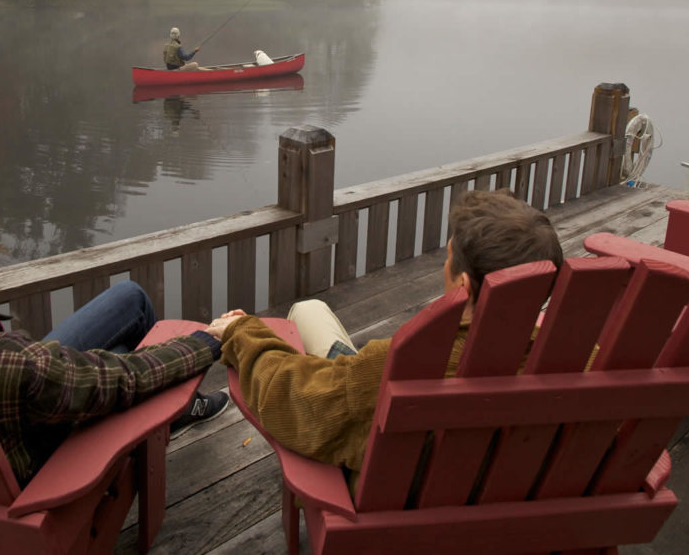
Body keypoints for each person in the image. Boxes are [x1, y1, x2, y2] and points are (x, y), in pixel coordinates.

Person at [0, 185, 231, 485]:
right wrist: (208, 341)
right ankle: (177, 410)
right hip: (30, 465)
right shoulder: (3, 362)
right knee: (120, 363)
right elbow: (125, 379)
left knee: (128, 299)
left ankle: (178, 409)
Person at [214, 189, 565, 475]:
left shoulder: (398, 365)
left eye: (448, 257)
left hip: (396, 499)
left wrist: (241, 332)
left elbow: (298, 402)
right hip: (506, 494)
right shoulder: (572, 358)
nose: (444, 265)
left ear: (464, 285)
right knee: (312, 313)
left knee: (307, 312)